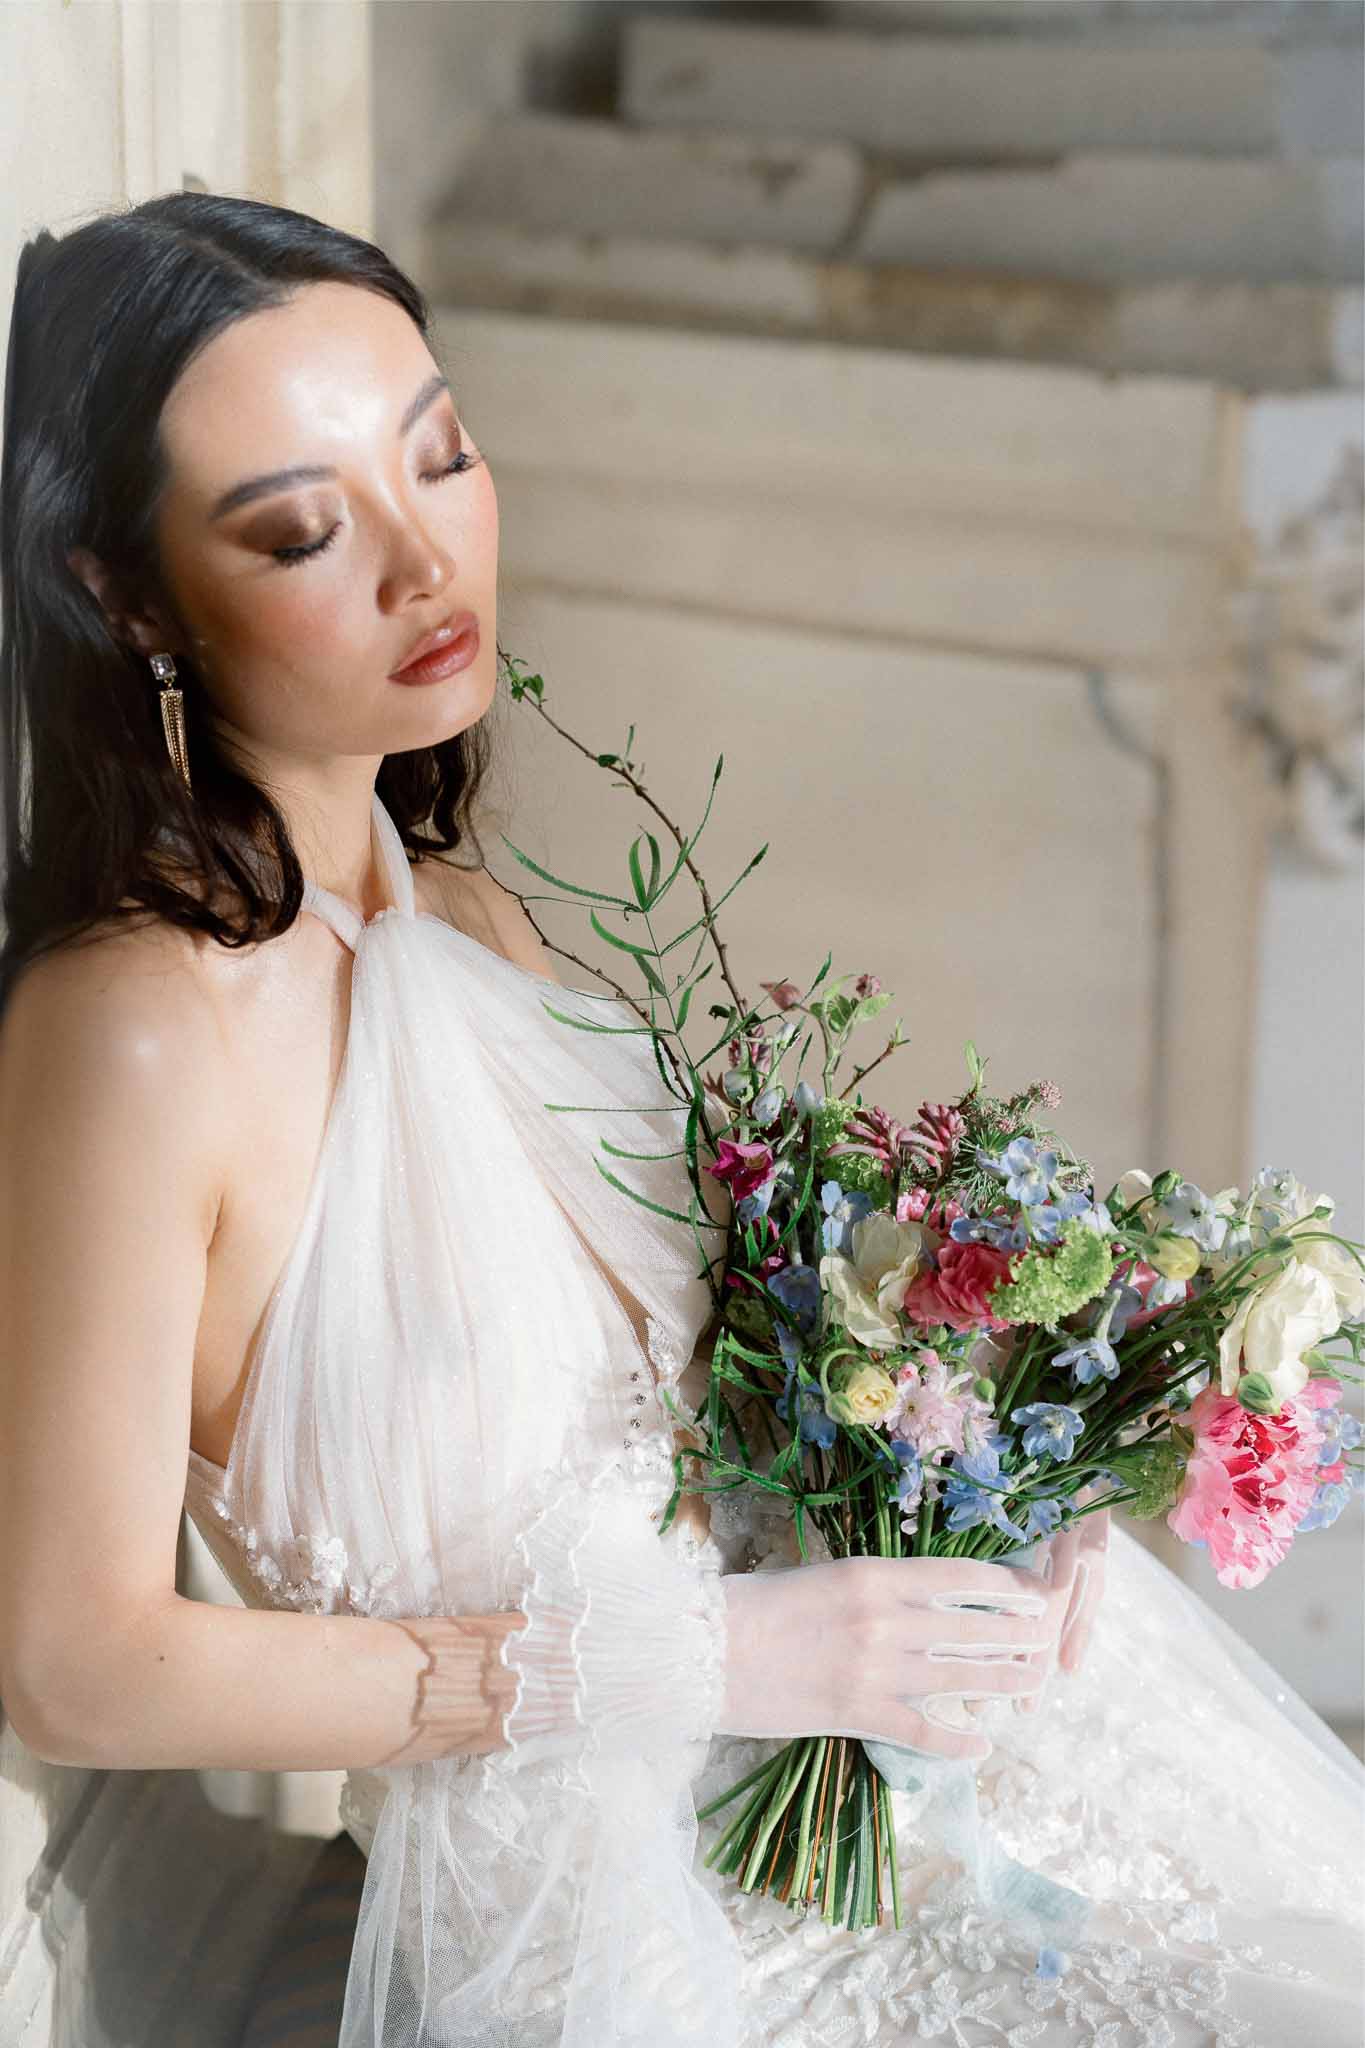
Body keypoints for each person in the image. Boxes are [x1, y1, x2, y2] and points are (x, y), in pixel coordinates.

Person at [0, 191, 1360, 2048]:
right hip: (606, 1917)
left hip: (821, 1773)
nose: (426, 564)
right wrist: (713, 1654)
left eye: (444, 457)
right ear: (126, 592)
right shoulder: (133, 1030)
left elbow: (684, 1420)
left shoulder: (463, 918)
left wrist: (968, 1511)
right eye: (307, 531)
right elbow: (77, 1666)